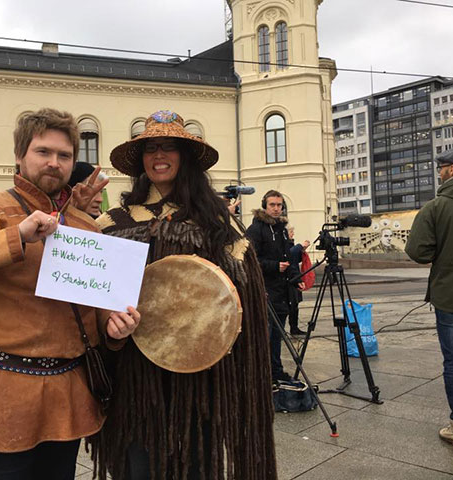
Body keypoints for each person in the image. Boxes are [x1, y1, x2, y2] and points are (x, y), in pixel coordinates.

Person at [0, 108, 141, 479]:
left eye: (64, 155)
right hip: (4, 393)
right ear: (20, 156)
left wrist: (114, 327)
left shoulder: (86, 224)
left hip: (66, 393)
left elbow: (96, 305)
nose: (54, 163)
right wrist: (15, 236)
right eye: (43, 152)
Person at [91, 110, 276, 479]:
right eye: (151, 148)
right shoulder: (112, 221)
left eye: (170, 147)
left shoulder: (215, 222)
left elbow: (244, 290)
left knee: (194, 463)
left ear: (185, 157)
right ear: (141, 160)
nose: (159, 155)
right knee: (136, 463)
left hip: (197, 374)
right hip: (132, 371)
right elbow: (91, 288)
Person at [405, 146, 453, 450]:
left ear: (452, 170)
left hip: (451, 297)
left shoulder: (436, 207)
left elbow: (418, 252)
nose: (439, 172)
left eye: (441, 167)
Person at [246, 191, 305, 382]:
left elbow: (287, 256)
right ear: (265, 206)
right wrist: (274, 266)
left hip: (281, 291)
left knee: (277, 335)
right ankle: (264, 374)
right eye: (272, 204)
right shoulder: (256, 229)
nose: (276, 208)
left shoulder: (281, 228)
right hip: (264, 289)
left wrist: (296, 278)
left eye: (279, 205)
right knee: (266, 335)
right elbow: (250, 259)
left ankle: (276, 372)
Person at [287, 225, 310, 336]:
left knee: (294, 306)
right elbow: (290, 254)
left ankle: (294, 328)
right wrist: (300, 246)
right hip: (289, 279)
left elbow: (296, 259)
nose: (293, 234)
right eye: (291, 232)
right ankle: (288, 328)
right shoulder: (284, 244)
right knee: (289, 306)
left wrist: (302, 250)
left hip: (295, 277)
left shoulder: (290, 244)